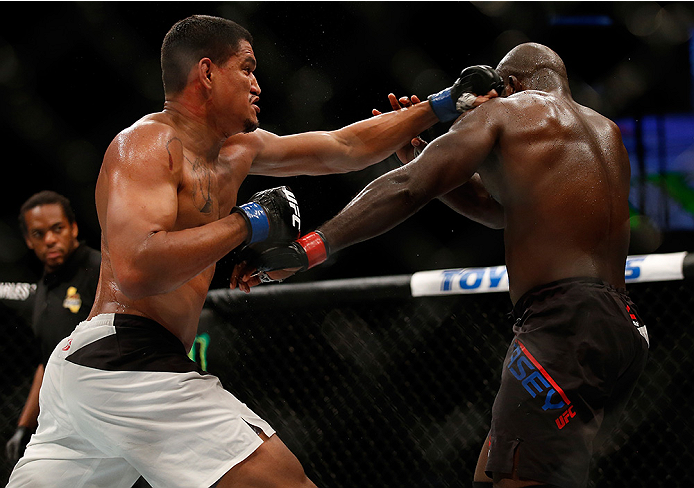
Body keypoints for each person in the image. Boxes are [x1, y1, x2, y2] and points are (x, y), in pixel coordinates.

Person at [5, 14, 489, 488]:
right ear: (208, 73)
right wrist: (246, 223)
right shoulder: (149, 144)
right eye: (247, 67)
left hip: (97, 371)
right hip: (125, 356)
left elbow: (342, 146)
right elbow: (136, 268)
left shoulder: (239, 150)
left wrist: (442, 105)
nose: (259, 83)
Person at [241, 43, 650, 488]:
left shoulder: (507, 111)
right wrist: (425, 157)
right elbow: (500, 211)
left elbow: (408, 188)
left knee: (518, 477)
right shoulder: (605, 132)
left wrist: (308, 249)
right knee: (495, 473)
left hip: (562, 323)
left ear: (507, 85)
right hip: (622, 330)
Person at [5, 191, 100, 463]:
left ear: (73, 227)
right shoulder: (46, 286)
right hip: (65, 421)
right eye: (39, 234)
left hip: (107, 414)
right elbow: (47, 363)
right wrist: (25, 425)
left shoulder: (99, 270)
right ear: (28, 241)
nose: (49, 240)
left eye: (57, 229)